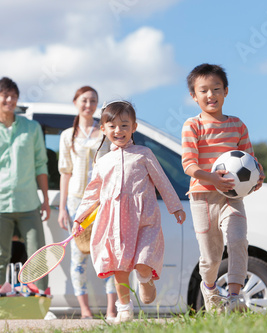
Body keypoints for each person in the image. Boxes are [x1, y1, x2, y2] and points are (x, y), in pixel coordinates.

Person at [72, 100, 186, 323]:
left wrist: (176, 206)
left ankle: (145, 279)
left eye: (125, 125)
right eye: (112, 126)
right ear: (103, 129)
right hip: (116, 224)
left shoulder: (144, 154)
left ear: (134, 127)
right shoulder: (103, 161)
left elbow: (162, 182)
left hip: (145, 220)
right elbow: (92, 193)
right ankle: (124, 309)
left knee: (143, 261)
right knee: (120, 267)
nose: (119, 130)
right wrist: (79, 218)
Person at [181, 64, 265, 313]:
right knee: (211, 256)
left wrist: (257, 177)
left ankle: (235, 295)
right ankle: (209, 289)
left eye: (216, 89)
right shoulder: (192, 126)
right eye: (203, 90)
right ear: (193, 96)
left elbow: (250, 160)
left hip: (232, 198)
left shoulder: (238, 126)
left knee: (238, 240)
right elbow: (188, 165)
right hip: (202, 198)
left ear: (226, 91)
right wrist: (211, 178)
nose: (211, 95)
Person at [0, 77, 50, 291]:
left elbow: (41, 166)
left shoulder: (32, 128)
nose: (10, 100)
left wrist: (44, 200)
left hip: (29, 202)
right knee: (0, 255)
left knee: (38, 253)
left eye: (14, 96)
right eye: (5, 96)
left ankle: (42, 296)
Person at [57, 86, 117, 319]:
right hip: (76, 201)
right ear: (75, 102)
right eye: (84, 100)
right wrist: (62, 207)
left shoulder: (105, 132)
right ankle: (84, 310)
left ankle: (113, 309)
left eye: (93, 101)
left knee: (109, 252)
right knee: (79, 255)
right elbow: (65, 172)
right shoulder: (66, 136)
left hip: (103, 200)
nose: (88, 105)